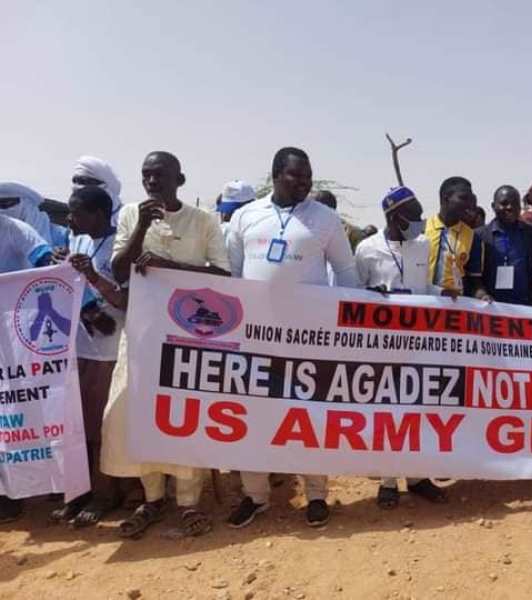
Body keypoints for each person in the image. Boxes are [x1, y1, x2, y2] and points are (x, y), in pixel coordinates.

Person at [226, 147, 358, 529]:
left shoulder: (326, 219)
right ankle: (255, 497)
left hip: (310, 340)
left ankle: (316, 494)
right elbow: (233, 276)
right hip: (254, 338)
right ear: (275, 176)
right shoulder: (245, 216)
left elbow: (347, 275)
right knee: (252, 416)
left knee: (310, 416)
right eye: (296, 177)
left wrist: (348, 329)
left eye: (308, 177)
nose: (304, 184)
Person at [103, 151, 231, 539]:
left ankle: (187, 502)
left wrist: (170, 268)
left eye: (160, 175)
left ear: (180, 178)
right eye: (146, 175)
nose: (152, 182)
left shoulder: (203, 221)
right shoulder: (129, 214)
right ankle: (152, 498)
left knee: (184, 412)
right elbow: (119, 269)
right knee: (133, 410)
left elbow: (222, 275)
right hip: (141, 332)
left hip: (189, 335)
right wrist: (141, 226)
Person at [354, 186, 447, 508]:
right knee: (387, 414)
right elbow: (352, 293)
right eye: (414, 215)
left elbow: (424, 288)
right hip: (383, 346)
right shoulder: (367, 249)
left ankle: (418, 477)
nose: (420, 221)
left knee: (419, 412)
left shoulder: (422, 245)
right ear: (394, 216)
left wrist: (445, 292)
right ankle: (388, 481)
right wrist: (370, 293)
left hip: (421, 343)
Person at [50, 186, 127, 527]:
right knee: (77, 426)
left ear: (97, 214)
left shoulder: (118, 248)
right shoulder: (78, 241)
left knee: (100, 427)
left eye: (75, 212)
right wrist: (60, 265)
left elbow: (125, 300)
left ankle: (105, 494)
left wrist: (93, 275)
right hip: (75, 345)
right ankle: (79, 492)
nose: (70, 218)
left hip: (107, 349)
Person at [0, 214, 53, 523]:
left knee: (13, 415)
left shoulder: (14, 229)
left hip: (12, 342)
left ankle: (10, 493)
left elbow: (45, 261)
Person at [424, 177, 490, 300]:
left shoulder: (473, 238)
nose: (469, 204)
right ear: (445, 198)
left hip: (453, 307)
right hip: (421, 305)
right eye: (463, 198)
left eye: (470, 199)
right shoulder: (421, 230)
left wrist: (482, 296)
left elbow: (474, 282)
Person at [476, 185, 532, 305]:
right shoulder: (479, 235)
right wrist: (482, 294)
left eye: (515, 203)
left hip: (526, 306)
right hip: (491, 306)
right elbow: (473, 276)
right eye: (504, 203)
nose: (510, 207)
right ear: (493, 206)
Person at [72, 155, 123, 225]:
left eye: (83, 181)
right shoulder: (73, 220)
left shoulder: (126, 219)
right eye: (75, 180)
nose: (77, 186)